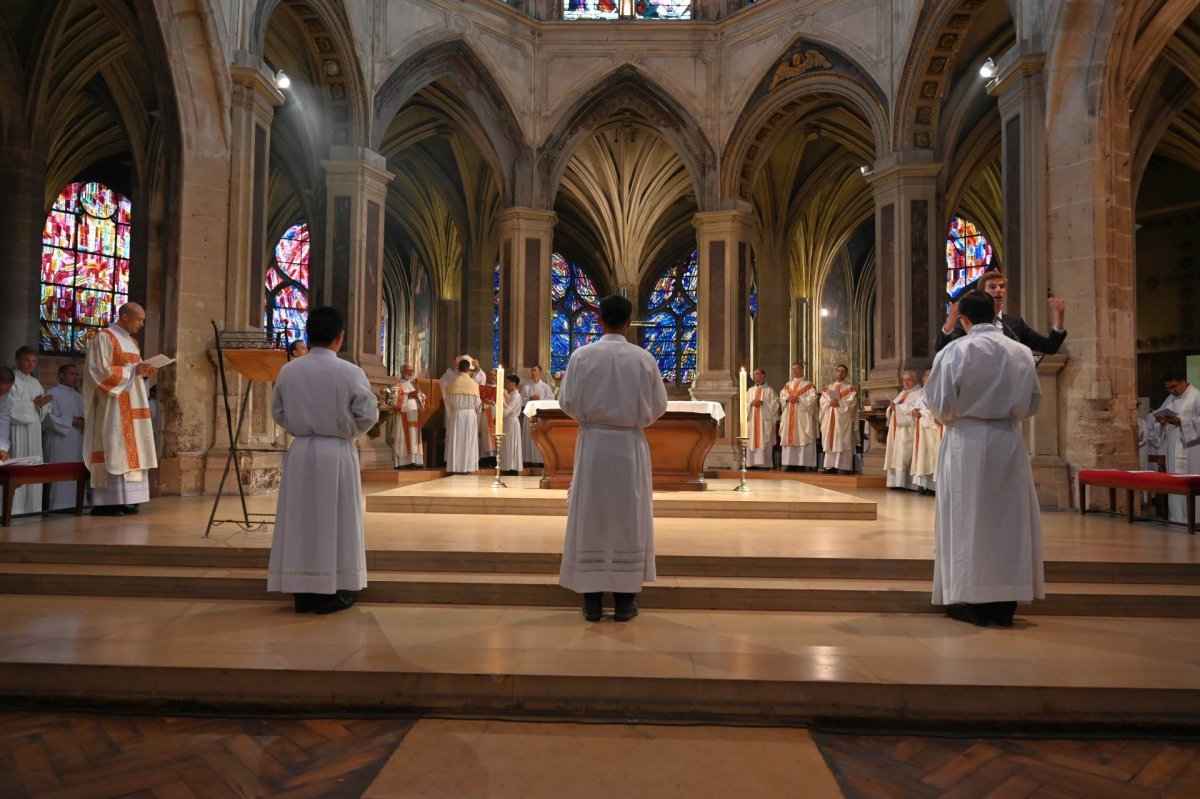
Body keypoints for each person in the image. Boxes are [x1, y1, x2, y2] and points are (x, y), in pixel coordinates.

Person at [925, 289, 1043, 628]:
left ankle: (969, 600)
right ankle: (1004, 603)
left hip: (966, 442)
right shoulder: (1020, 352)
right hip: (1007, 441)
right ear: (994, 313)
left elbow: (939, 403)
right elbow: (1033, 402)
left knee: (966, 520)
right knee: (1007, 521)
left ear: (963, 318)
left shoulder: (956, 351)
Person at [559, 295, 668, 622]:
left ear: (600, 320)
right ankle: (624, 602)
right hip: (628, 448)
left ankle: (591, 602)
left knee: (591, 516)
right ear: (628, 322)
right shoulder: (643, 358)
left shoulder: (582, 356)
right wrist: (632, 420)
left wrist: (592, 419)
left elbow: (567, 401)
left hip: (593, 446)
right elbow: (659, 405)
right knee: (627, 518)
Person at [268, 306, 378, 615]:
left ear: (308, 335)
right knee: (337, 520)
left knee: (301, 519)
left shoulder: (289, 370)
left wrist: (299, 426)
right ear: (340, 337)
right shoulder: (349, 371)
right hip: (336, 452)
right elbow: (368, 414)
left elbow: (277, 411)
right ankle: (332, 588)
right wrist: (348, 431)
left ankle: (302, 591)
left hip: (300, 451)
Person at [83, 303, 158, 516]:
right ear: (124, 317)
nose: (142, 325)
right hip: (113, 405)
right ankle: (106, 502)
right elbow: (97, 371)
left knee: (132, 451)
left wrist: (144, 372)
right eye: (139, 320)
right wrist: (133, 371)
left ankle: (129, 499)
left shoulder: (133, 342)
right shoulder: (104, 338)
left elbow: (135, 372)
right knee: (114, 447)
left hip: (134, 404)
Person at [936, 270, 1067, 354]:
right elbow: (944, 352)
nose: (998, 290)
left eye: (1002, 286)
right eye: (993, 287)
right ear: (982, 293)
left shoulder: (1014, 324)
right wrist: (949, 325)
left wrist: (1060, 316)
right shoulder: (967, 322)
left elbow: (1049, 347)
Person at [1146, 372, 1200, 524]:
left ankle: (1195, 521)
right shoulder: (1170, 399)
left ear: (1184, 381)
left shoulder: (1197, 397)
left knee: (1191, 484)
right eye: (1168, 389)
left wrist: (1181, 422)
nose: (1171, 391)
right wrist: (1160, 420)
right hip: (1173, 451)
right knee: (1175, 484)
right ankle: (1176, 519)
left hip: (1192, 452)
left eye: (1174, 387)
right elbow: (1158, 420)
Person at [9, 346, 52, 513]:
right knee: (17, 467)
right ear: (17, 360)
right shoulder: (11, 380)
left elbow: (43, 410)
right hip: (16, 430)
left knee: (33, 470)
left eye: (34, 361)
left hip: (33, 431)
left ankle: (32, 510)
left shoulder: (35, 383)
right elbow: (8, 408)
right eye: (27, 360)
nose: (30, 365)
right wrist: (33, 404)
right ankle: (12, 510)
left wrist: (42, 405)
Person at [42, 363, 86, 511]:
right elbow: (47, 417)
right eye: (71, 374)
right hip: (59, 440)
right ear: (61, 375)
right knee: (60, 474)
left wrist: (83, 422)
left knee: (76, 473)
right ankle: (58, 505)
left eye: (77, 375)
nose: (75, 378)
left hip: (77, 441)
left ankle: (77, 503)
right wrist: (70, 421)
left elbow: (86, 417)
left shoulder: (80, 397)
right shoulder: (52, 393)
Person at [882, 370, 923, 490]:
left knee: (905, 455)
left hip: (908, 430)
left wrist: (898, 408)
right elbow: (895, 408)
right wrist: (891, 408)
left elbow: (915, 408)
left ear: (915, 380)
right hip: (896, 430)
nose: (906, 382)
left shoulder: (920, 392)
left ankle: (907, 483)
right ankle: (895, 483)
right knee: (896, 454)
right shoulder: (902, 393)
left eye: (909, 379)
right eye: (904, 380)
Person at [819, 364, 858, 474]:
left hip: (843, 420)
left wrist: (839, 403)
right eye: (838, 371)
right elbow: (822, 401)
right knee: (830, 441)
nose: (840, 373)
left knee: (841, 441)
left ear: (846, 374)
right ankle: (830, 466)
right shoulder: (828, 388)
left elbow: (852, 403)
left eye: (842, 371)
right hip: (830, 417)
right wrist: (829, 402)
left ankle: (843, 467)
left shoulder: (850, 389)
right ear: (835, 372)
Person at [779, 363, 818, 471]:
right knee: (789, 436)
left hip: (802, 415)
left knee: (802, 436)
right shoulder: (788, 385)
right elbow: (782, 397)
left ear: (802, 370)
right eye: (793, 369)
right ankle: (789, 463)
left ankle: (802, 464)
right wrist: (787, 399)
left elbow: (813, 398)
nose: (794, 371)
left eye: (797, 369)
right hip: (789, 415)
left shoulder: (808, 385)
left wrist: (799, 400)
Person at [444, 359, 481, 474]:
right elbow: (478, 404)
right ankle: (468, 467)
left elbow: (448, 402)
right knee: (469, 441)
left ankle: (455, 467)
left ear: (458, 369)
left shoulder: (453, 384)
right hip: (470, 415)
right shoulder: (474, 385)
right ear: (468, 369)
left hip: (457, 414)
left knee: (456, 440)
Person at [910, 369, 942, 496]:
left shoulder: (938, 392)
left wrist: (924, 413)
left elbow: (939, 410)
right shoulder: (920, 393)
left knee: (934, 456)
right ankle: (924, 484)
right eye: (926, 377)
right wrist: (914, 411)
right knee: (923, 456)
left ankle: (934, 487)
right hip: (922, 430)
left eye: (930, 377)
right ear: (923, 379)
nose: (927, 379)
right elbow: (912, 406)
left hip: (934, 430)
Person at [391, 363, 426, 469]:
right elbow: (395, 400)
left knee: (414, 438)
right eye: (408, 370)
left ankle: (413, 461)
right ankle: (403, 462)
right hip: (402, 417)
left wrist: (418, 396)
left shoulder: (414, 385)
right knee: (402, 438)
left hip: (414, 416)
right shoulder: (397, 384)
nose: (410, 373)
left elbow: (423, 398)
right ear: (402, 372)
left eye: (412, 370)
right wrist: (409, 395)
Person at [520, 364, 554, 466]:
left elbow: (550, 399)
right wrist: (529, 399)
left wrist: (540, 400)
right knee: (529, 437)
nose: (532, 372)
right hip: (529, 417)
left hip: (540, 417)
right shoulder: (526, 386)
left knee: (539, 438)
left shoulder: (545, 387)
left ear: (540, 372)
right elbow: (521, 400)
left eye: (534, 370)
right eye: (531, 370)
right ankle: (528, 460)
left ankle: (540, 461)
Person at [745, 368, 779, 469]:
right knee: (752, 439)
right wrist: (750, 404)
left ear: (763, 375)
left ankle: (765, 464)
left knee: (764, 439)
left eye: (757, 374)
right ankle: (751, 464)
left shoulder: (770, 391)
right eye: (754, 374)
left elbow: (775, 405)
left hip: (764, 422)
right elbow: (744, 404)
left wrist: (763, 404)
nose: (755, 376)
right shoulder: (750, 391)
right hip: (752, 421)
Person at [499, 374, 523, 475]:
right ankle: (508, 467)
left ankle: (511, 468)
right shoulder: (512, 395)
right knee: (507, 445)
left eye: (508, 382)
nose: (506, 384)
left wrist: (495, 405)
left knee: (511, 445)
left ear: (514, 384)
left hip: (511, 422)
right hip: (509, 422)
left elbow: (506, 412)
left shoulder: (515, 396)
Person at [479, 368, 498, 464]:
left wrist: (493, 403)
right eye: (490, 374)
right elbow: (477, 401)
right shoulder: (481, 388)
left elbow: (504, 405)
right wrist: (482, 405)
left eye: (494, 375)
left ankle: (493, 459)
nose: (492, 377)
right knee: (484, 437)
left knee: (494, 437)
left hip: (495, 417)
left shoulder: (501, 390)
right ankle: (483, 459)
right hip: (483, 416)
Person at [0, 367, 14, 462]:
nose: (2, 393)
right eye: (0, 390)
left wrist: (2, 448)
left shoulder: (8, 399)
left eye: (7, 390)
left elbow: (3, 423)